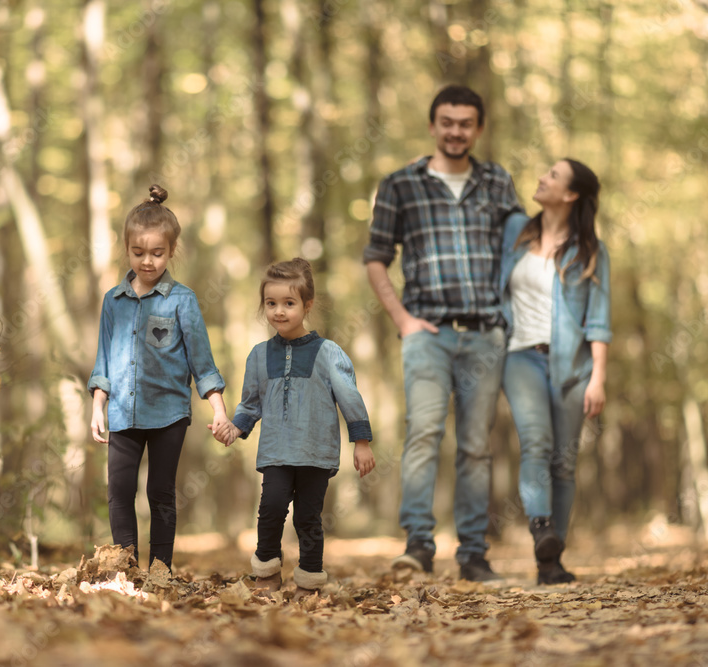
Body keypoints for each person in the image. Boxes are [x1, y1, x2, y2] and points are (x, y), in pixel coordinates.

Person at [364, 84, 525, 581]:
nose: (456, 131)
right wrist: (403, 321)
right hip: (426, 334)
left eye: (466, 123)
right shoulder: (401, 184)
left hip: (485, 335)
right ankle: (418, 546)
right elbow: (375, 259)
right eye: (448, 122)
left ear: (478, 128)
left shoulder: (498, 181)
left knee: (476, 445)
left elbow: (522, 251)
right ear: (433, 126)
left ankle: (474, 553)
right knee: (424, 435)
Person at [88, 184, 232, 571]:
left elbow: (202, 362)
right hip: (121, 411)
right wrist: (97, 407)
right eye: (138, 253)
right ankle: (126, 567)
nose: (147, 261)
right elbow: (102, 360)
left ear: (171, 251)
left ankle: (161, 569)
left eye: (157, 253)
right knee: (119, 491)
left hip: (169, 412)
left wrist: (219, 410)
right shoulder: (112, 301)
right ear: (127, 249)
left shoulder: (181, 300)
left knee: (160, 490)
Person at [213, 259, 375, 595]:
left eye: (289, 303)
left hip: (316, 452)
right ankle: (267, 573)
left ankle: (309, 580)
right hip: (276, 451)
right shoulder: (258, 355)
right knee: (270, 509)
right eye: (271, 304)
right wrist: (235, 429)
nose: (279, 312)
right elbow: (251, 403)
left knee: (307, 518)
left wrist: (361, 442)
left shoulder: (328, 353)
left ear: (307, 305)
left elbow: (349, 397)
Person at [499, 158, 611, 585]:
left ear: (570, 195)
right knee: (537, 442)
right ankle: (541, 527)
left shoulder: (591, 252)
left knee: (564, 462)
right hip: (519, 355)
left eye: (553, 175)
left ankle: (551, 561)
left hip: (573, 366)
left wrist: (598, 377)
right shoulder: (515, 232)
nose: (542, 177)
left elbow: (598, 321)